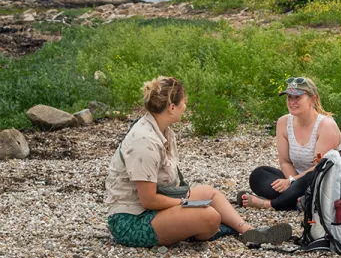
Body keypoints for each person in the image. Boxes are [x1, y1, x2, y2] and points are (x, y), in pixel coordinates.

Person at [105, 76, 292, 248]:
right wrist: (185, 203)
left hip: (150, 208)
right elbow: (148, 200)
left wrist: (189, 201)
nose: (185, 106)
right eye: (184, 102)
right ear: (172, 107)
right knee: (209, 216)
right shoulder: (144, 142)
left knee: (210, 193)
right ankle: (217, 228)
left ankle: (248, 230)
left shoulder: (164, 132)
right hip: (131, 220)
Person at [239, 76, 341, 211]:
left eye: (297, 98)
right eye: (289, 98)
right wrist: (290, 181)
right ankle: (298, 200)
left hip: (324, 180)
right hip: (297, 178)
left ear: (313, 99)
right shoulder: (283, 123)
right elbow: (285, 162)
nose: (292, 102)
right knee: (258, 175)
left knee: (312, 177)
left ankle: (269, 204)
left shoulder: (326, 125)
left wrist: (291, 182)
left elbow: (320, 167)